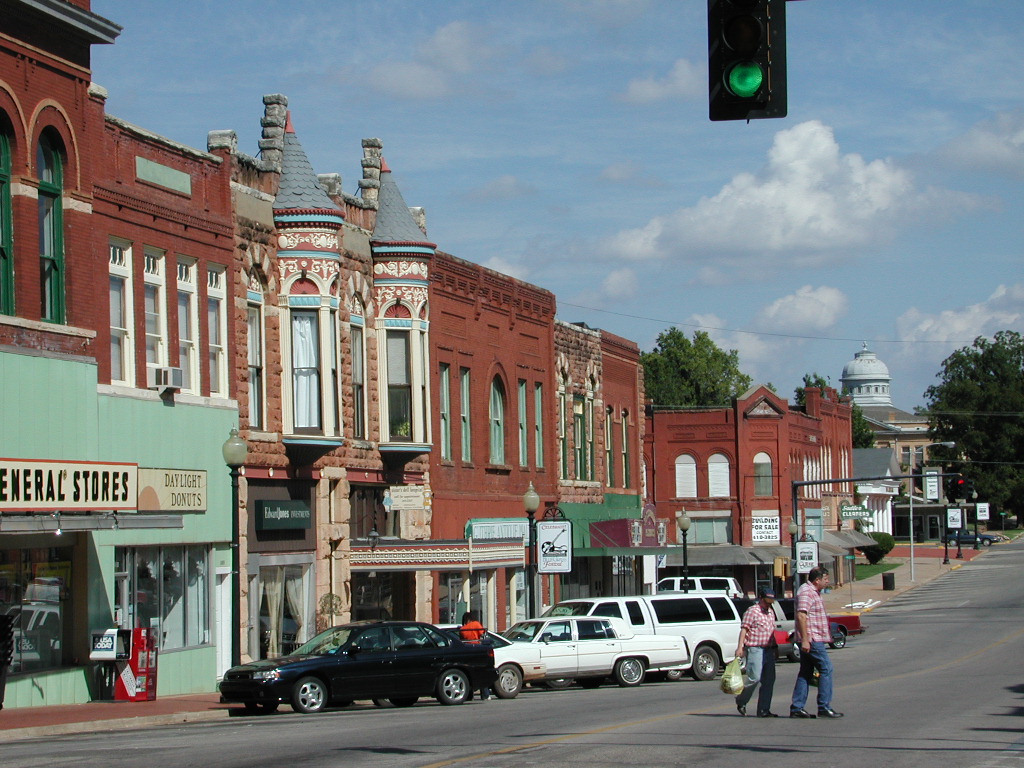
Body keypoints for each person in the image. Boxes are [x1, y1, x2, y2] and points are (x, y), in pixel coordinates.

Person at [790, 566, 844, 718]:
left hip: (813, 638)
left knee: (806, 672)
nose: (828, 582)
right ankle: (824, 706)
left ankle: (797, 707)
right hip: (812, 639)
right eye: (825, 579)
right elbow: (801, 616)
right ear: (817, 580)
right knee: (826, 668)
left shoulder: (813, 592)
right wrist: (806, 640)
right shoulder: (807, 593)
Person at [734, 587, 779, 718]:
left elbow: (771, 632)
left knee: (769, 680)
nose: (769, 604)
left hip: (768, 649)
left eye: (771, 601)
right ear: (761, 599)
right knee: (755, 678)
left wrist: (775, 648)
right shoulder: (752, 611)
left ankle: (764, 710)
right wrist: (740, 647)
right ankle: (741, 700)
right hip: (755, 649)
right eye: (767, 601)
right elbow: (744, 629)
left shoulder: (771, 612)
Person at [459, 611, 491, 701]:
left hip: (467, 651)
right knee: (481, 673)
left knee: (468, 674)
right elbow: (483, 635)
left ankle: (469, 695)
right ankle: (485, 694)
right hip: (477, 649)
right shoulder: (476, 624)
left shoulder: (462, 629)